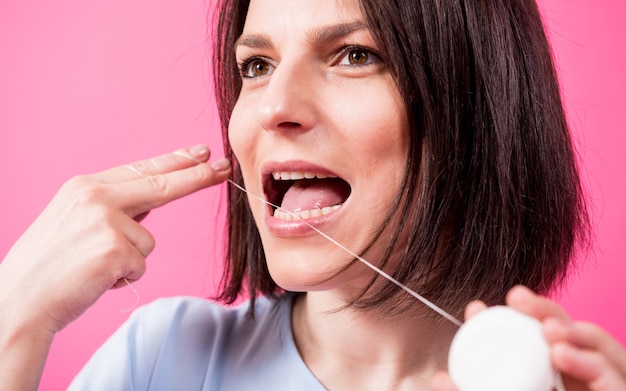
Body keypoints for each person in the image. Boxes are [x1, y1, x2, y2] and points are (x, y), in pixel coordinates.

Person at [0, 0, 624, 390]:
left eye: (354, 55)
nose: (273, 108)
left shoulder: (561, 382)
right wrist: (14, 316)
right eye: (256, 66)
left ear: (477, 105)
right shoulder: (161, 361)